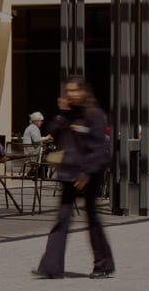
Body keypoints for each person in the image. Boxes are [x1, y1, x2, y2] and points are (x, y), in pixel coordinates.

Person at [34, 74, 113, 280]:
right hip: (69, 174)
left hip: (89, 175)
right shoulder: (69, 115)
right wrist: (62, 114)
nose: (71, 94)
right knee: (62, 219)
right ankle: (51, 266)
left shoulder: (94, 114)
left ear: (83, 91)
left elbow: (100, 148)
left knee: (92, 218)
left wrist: (86, 173)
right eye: (68, 91)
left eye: (75, 90)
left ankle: (103, 265)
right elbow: (54, 134)